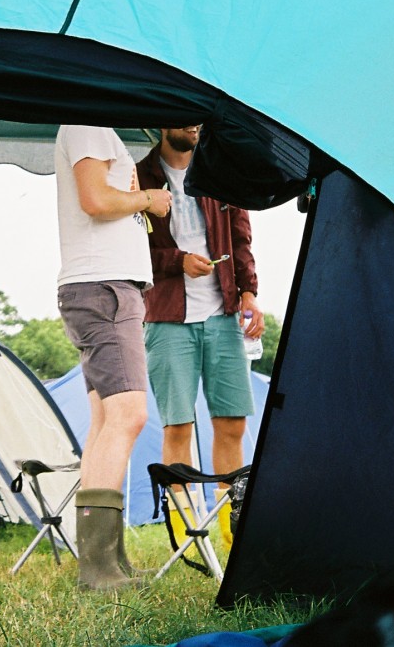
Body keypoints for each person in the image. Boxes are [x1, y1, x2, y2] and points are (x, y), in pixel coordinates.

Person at [54, 124, 172, 590]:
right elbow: (97, 200)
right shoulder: (87, 124)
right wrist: (148, 200)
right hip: (105, 288)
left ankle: (108, 562)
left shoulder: (91, 129)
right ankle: (99, 570)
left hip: (100, 288)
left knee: (106, 420)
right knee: (128, 416)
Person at [136, 125, 263, 555]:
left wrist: (249, 293)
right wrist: (178, 261)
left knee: (232, 423)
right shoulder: (139, 177)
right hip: (167, 318)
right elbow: (131, 251)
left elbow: (241, 237)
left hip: (223, 315)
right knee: (178, 426)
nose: (193, 126)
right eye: (184, 117)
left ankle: (234, 533)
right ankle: (189, 540)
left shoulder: (220, 172)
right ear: (162, 123)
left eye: (198, 119)